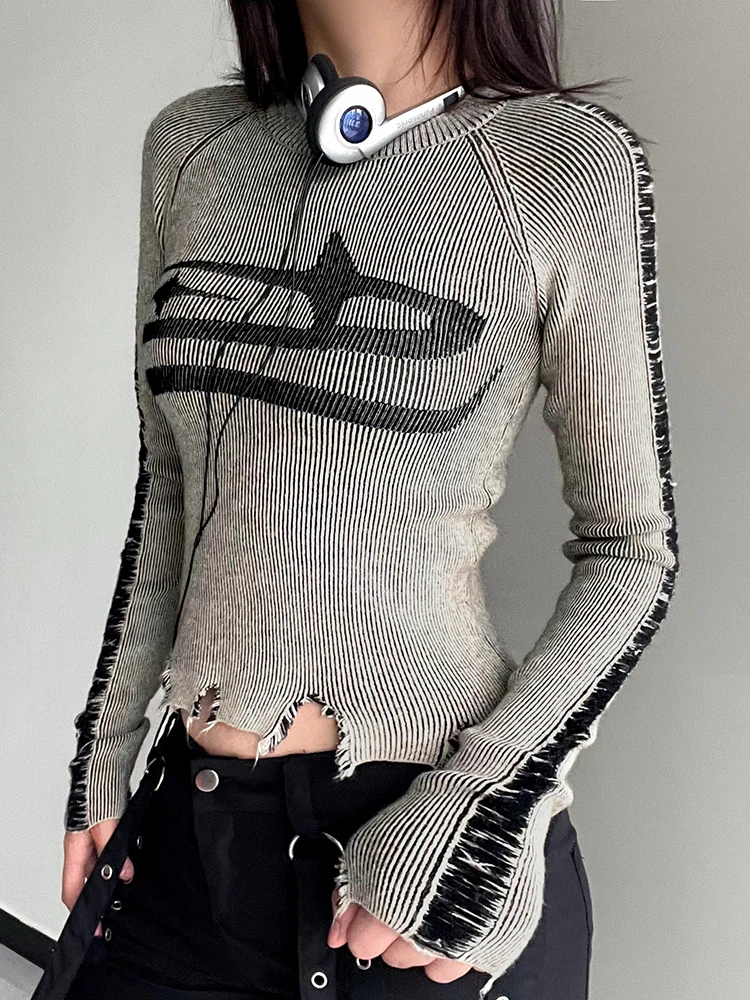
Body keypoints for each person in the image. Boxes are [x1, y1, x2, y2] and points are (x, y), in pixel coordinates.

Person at [58, 1, 680, 998]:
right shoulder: (193, 146)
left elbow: (630, 550)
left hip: (417, 850)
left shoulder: (564, 163)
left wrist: (477, 809)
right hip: (186, 844)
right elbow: (169, 486)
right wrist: (104, 751)